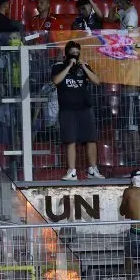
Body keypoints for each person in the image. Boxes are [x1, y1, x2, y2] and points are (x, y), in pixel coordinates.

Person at [52, 41, 103, 181]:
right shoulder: (58, 66)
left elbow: (97, 81)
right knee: (70, 140)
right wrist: (69, 66)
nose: (75, 55)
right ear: (66, 54)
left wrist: (84, 67)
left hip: (85, 108)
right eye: (72, 53)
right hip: (67, 109)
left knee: (90, 139)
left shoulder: (84, 66)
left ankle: (93, 170)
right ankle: (71, 171)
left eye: (77, 53)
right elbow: (56, 81)